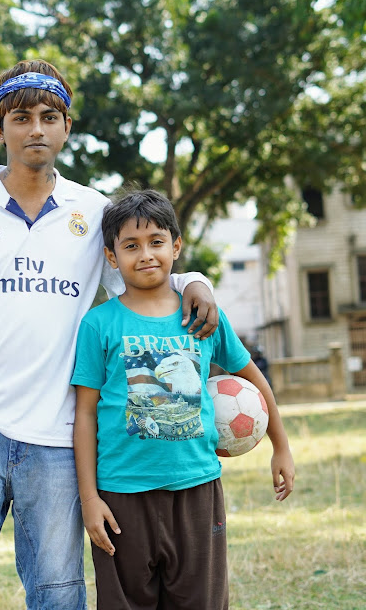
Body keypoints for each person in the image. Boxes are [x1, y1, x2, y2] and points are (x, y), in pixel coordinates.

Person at [0, 60, 219, 610]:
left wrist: (195, 279)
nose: (36, 129)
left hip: (57, 434)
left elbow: (141, 267)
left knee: (57, 592)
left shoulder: (92, 211)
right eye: (20, 118)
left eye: (50, 116)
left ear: (67, 127)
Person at [72, 190, 295, 610]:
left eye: (156, 242)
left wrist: (280, 446)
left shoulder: (203, 316)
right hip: (121, 494)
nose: (146, 255)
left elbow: (253, 378)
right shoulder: (98, 324)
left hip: (197, 488)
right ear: (111, 256)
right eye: (130, 246)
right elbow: (84, 414)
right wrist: (89, 499)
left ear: (176, 246)